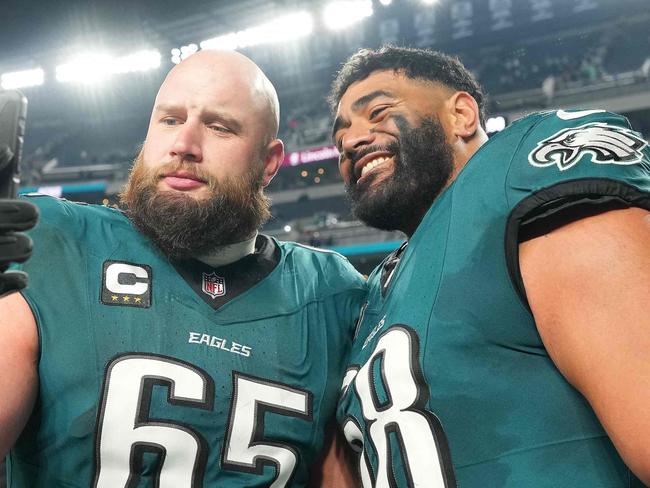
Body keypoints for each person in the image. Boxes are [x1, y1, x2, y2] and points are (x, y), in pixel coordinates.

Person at [0, 50, 366, 487]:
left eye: (219, 127)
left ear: (269, 162)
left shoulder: (330, 293)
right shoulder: (56, 240)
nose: (184, 145)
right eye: (169, 119)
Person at [330, 45, 650, 487]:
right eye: (339, 136)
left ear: (462, 114)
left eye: (379, 112)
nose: (351, 140)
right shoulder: (376, 292)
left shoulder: (518, 170)